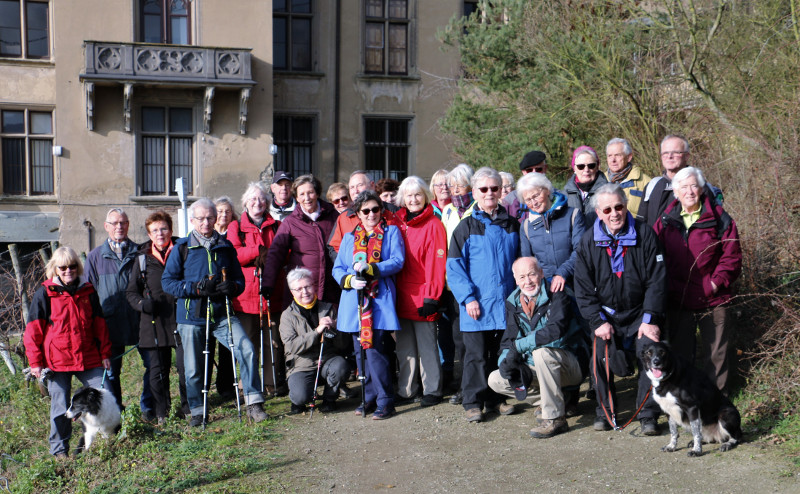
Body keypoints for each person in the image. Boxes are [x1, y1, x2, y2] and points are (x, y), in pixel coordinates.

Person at [161, 198, 268, 426]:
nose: (206, 222)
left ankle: (254, 402)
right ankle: (198, 412)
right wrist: (195, 288)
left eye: (210, 217)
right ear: (192, 220)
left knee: (246, 349)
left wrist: (234, 288)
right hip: (191, 317)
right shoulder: (181, 248)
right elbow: (168, 283)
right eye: (200, 218)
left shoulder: (225, 247)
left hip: (221, 314)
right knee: (192, 369)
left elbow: (239, 279)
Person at [574, 183, 665, 435]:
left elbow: (657, 281)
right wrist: (597, 321)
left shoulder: (645, 234)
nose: (614, 213)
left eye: (619, 207)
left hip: (640, 312)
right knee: (599, 355)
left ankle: (648, 414)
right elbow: (582, 288)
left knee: (651, 352)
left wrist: (650, 319)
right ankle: (605, 412)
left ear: (626, 206)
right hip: (606, 315)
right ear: (599, 213)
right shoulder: (587, 241)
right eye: (607, 209)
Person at [653, 167, 741, 393]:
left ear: (702, 189)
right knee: (680, 353)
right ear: (675, 191)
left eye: (694, 186)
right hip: (678, 298)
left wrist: (714, 283)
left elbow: (731, 256)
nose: (689, 191)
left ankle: (716, 402)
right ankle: (686, 398)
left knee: (716, 353)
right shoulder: (665, 221)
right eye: (684, 187)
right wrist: (667, 286)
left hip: (713, 297)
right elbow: (655, 256)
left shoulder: (719, 218)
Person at [447, 167, 520, 423]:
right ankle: (473, 401)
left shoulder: (512, 224)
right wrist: (468, 298)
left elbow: (520, 262)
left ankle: (497, 399)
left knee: (500, 354)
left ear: (501, 190)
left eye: (494, 188)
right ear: (475, 192)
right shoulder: (466, 227)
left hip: (505, 304)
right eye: (484, 189)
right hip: (476, 305)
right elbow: (454, 267)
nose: (489, 193)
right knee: (475, 357)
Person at [24, 246, 111, 457]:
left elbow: (99, 325)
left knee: (104, 394)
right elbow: (33, 331)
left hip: (88, 357)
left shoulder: (88, 291)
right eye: (62, 267)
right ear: (55, 268)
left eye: (72, 266)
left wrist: (105, 354)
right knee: (61, 405)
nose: (68, 271)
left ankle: (99, 443)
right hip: (56, 361)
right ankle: (60, 452)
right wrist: (35, 362)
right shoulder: (44, 294)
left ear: (77, 267)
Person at [487, 257, 588, 438]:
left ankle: (555, 419)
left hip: (570, 364)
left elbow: (555, 332)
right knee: (495, 379)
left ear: (541, 273)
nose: (528, 281)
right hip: (537, 364)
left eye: (532, 274)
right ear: (516, 280)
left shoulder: (557, 293)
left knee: (542, 354)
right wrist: (506, 361)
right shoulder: (512, 302)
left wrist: (520, 347)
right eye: (522, 277)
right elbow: (509, 339)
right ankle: (558, 401)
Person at [332, 190, 405, 420]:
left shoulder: (392, 232)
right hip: (355, 303)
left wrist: (373, 268)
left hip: (379, 301)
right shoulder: (349, 238)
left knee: (377, 352)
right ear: (358, 214)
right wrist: (350, 280)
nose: (372, 214)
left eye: (376, 209)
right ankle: (369, 396)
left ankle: (385, 399)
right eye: (366, 211)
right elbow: (338, 269)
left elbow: (397, 261)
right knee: (360, 352)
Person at [125, 211, 189, 424]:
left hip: (181, 317)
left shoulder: (183, 251)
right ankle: (163, 413)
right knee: (157, 371)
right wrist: (143, 304)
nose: (160, 233)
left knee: (185, 368)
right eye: (154, 230)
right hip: (152, 322)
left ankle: (189, 408)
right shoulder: (142, 259)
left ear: (171, 230)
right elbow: (131, 292)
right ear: (149, 234)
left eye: (163, 229)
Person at [85, 208, 150, 417]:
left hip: (139, 320)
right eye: (114, 223)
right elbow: (89, 295)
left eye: (123, 223)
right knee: (111, 374)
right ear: (106, 226)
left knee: (152, 365)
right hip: (109, 326)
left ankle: (148, 408)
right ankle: (117, 413)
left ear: (128, 225)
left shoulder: (140, 253)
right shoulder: (95, 257)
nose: (119, 227)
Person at [394, 176, 447, 407]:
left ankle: (432, 389)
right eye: (409, 195)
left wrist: (433, 296)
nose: (413, 199)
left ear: (425, 196)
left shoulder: (434, 224)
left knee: (427, 347)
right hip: (401, 294)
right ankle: (406, 390)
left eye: (417, 194)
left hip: (424, 294)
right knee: (405, 348)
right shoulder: (398, 222)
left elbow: (437, 264)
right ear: (402, 199)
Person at [227, 182, 284, 394]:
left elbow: (282, 252)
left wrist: (268, 256)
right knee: (248, 343)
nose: (257, 202)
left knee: (273, 341)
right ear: (245, 203)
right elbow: (234, 255)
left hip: (272, 290)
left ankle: (271, 382)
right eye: (252, 199)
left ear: (267, 203)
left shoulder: (276, 225)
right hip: (246, 295)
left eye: (261, 198)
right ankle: (248, 384)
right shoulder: (236, 227)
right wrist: (258, 251)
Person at [261, 175, 340, 307]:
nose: (307, 198)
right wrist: (268, 283)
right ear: (296, 198)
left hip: (331, 287)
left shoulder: (334, 216)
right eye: (302, 194)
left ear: (317, 193)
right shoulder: (291, 223)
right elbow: (276, 254)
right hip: (303, 290)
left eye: (310, 192)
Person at [280, 268, 350, 414]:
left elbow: (343, 345)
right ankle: (300, 398)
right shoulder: (287, 316)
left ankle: (329, 399)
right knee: (300, 397)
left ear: (314, 286)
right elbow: (292, 346)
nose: (304, 292)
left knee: (341, 367)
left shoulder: (328, 308)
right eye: (299, 289)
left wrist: (337, 327)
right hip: (301, 363)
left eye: (307, 286)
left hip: (328, 358)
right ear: (292, 292)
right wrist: (317, 331)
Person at [440, 163, 476, 404]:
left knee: (475, 340)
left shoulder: (476, 208)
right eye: (451, 185)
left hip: (476, 283)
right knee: (458, 339)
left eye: (460, 185)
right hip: (453, 285)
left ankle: (475, 386)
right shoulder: (448, 211)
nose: (455, 190)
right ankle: (463, 385)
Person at [518, 173, 586, 292]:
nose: (534, 203)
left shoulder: (573, 215)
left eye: (536, 196)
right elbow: (528, 262)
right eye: (528, 200)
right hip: (545, 290)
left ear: (547, 190)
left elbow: (581, 250)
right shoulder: (525, 226)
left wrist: (562, 273)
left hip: (576, 284)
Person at [639, 135, 724, 227]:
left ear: (687, 156)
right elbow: (641, 224)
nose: (669, 156)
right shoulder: (652, 186)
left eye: (675, 152)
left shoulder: (701, 187)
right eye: (665, 153)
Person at [327, 170, 397, 255]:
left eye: (359, 185)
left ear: (372, 185)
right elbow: (334, 247)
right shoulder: (344, 217)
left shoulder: (392, 212)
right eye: (352, 187)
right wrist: (345, 265)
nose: (355, 191)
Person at [604, 138, 651, 219]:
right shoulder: (600, 181)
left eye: (617, 155)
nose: (613, 160)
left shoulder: (646, 182)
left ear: (629, 157)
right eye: (610, 156)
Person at [563, 145, 608, 227]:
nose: (586, 170)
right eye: (581, 166)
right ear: (574, 169)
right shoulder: (565, 195)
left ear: (597, 167)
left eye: (591, 166)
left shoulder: (609, 192)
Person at [502, 150, 549, 221]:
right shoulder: (511, 200)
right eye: (529, 170)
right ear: (523, 172)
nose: (534, 173)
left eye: (538, 169)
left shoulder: (558, 196)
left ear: (545, 169)